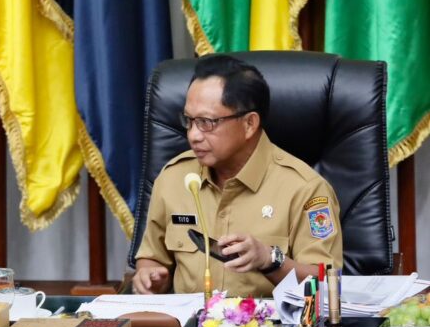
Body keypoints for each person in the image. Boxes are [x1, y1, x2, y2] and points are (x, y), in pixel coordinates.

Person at [132, 54, 342, 297]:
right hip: (189, 321)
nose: (193, 135)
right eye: (189, 121)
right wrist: (150, 275)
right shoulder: (174, 178)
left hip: (267, 321)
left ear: (249, 124)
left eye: (207, 122)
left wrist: (270, 260)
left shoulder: (306, 189)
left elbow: (326, 284)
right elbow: (152, 257)